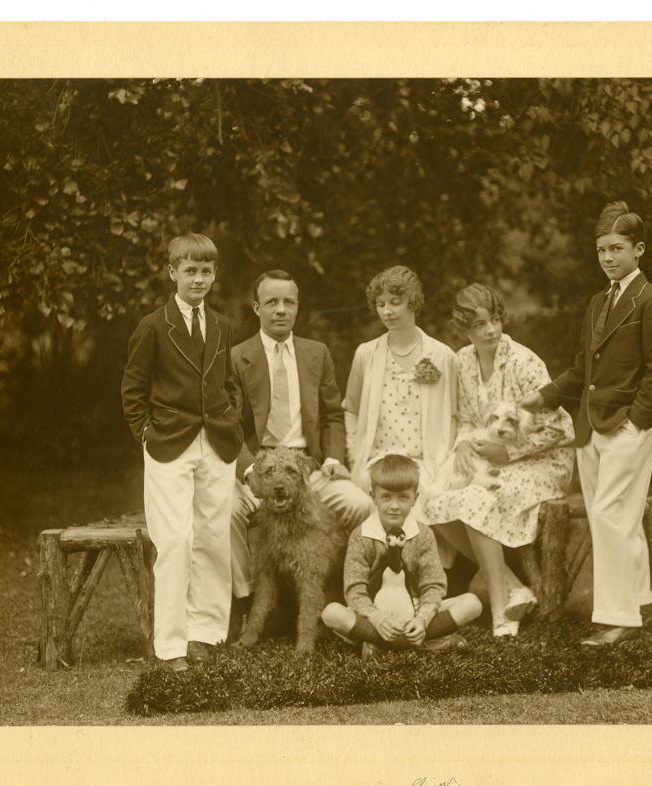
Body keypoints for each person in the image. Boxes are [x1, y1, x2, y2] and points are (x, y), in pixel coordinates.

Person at [522, 201, 652, 647]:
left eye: (616, 249)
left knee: (612, 515)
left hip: (626, 427)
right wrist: (544, 396)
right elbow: (581, 369)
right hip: (590, 429)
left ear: (638, 249)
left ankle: (620, 619)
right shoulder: (597, 303)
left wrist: (637, 420)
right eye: (601, 250)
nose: (607, 258)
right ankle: (639, 600)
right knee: (610, 516)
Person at [121, 234, 243, 672]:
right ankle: (171, 644)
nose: (198, 279)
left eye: (206, 271)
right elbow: (133, 388)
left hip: (217, 443)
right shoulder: (154, 326)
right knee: (174, 541)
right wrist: (145, 433)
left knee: (212, 538)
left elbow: (227, 381)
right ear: (172, 273)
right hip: (169, 443)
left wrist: (230, 418)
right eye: (190, 270)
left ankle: (205, 634)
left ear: (214, 274)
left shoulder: (222, 324)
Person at [425, 284, 576, 638]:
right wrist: (464, 443)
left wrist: (508, 453)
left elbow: (560, 429)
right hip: (489, 457)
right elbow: (466, 418)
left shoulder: (524, 361)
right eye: (479, 325)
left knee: (475, 500)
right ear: (464, 328)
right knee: (430, 503)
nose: (491, 330)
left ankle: (500, 612)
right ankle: (513, 588)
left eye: (494, 320)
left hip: (543, 463)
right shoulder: (462, 361)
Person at [228, 270, 373, 633]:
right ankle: (248, 602)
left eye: (288, 302)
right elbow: (228, 425)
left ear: (297, 307)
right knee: (228, 513)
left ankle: (351, 595)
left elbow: (333, 414)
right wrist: (249, 470)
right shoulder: (237, 357)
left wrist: (334, 459)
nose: (281, 310)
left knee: (361, 506)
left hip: (308, 468)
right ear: (256, 307)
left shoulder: (315, 353)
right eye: (272, 302)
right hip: (258, 468)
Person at [321, 454, 482, 658]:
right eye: (386, 497)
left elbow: (433, 584)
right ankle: (428, 642)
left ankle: (380, 644)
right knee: (332, 613)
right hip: (374, 615)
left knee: (472, 603)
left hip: (415, 612)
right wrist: (377, 618)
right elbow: (355, 590)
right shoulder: (360, 536)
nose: (394, 506)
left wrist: (422, 619)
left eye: (403, 497)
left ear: (415, 498)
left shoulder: (423, 534)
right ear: (373, 496)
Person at [342, 265, 457, 513]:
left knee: (420, 494)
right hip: (376, 463)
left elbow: (454, 416)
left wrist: (444, 463)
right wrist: (355, 457)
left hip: (426, 464)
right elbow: (351, 410)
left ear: (412, 302)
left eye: (395, 302)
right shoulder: (366, 354)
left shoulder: (442, 355)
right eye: (381, 304)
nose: (387, 311)